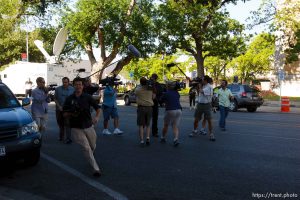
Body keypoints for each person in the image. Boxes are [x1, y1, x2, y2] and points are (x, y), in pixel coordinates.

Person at [63, 77, 102, 177]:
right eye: (76, 85)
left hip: (88, 125)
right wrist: (71, 112)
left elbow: (98, 109)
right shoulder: (69, 99)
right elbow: (64, 113)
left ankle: (90, 158)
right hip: (76, 128)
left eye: (80, 84)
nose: (78, 86)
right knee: (86, 147)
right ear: (73, 86)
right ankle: (96, 169)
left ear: (83, 86)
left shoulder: (88, 97)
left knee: (92, 146)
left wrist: (97, 117)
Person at [190, 75, 215, 141]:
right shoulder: (202, 85)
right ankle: (195, 130)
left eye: (203, 80)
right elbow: (192, 85)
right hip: (200, 104)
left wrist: (199, 87)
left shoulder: (209, 87)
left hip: (207, 105)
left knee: (209, 120)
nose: (201, 81)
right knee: (196, 119)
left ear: (206, 80)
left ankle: (211, 134)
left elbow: (202, 91)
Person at [160, 81, 182, 146]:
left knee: (166, 125)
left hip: (170, 110)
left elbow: (161, 100)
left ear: (167, 86)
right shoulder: (177, 93)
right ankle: (175, 139)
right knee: (175, 126)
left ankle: (163, 137)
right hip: (178, 110)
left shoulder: (166, 93)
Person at [135, 77, 155, 146]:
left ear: (140, 82)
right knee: (148, 124)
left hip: (141, 108)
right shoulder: (150, 89)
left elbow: (136, 95)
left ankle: (142, 140)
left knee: (141, 125)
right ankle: (148, 138)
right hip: (149, 107)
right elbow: (154, 97)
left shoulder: (138, 90)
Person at [54, 77, 75, 143]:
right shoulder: (58, 89)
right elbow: (55, 98)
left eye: (66, 82)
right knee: (60, 124)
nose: (65, 83)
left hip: (68, 110)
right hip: (59, 109)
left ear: (68, 82)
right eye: (63, 82)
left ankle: (68, 138)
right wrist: (59, 106)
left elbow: (74, 98)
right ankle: (61, 136)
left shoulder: (72, 89)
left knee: (68, 124)